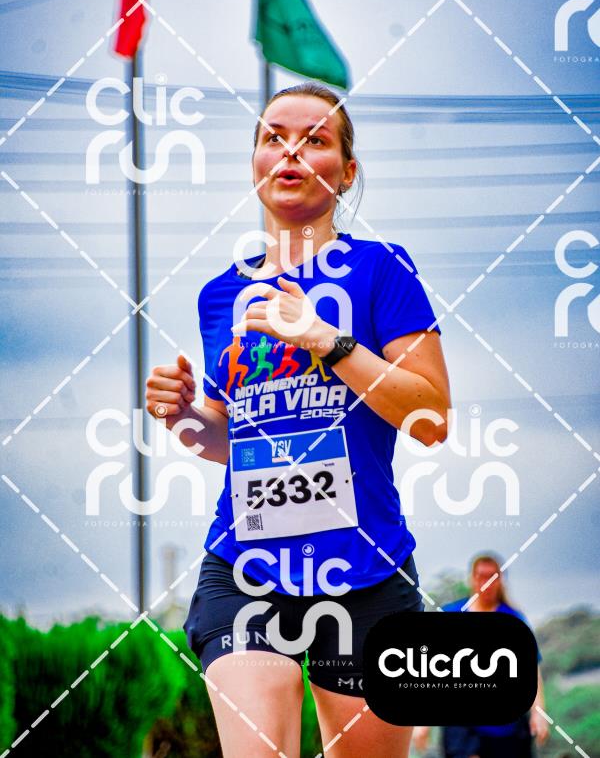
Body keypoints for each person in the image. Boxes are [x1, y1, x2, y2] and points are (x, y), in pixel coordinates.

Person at [146, 81, 451, 758]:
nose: (290, 151)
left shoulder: (381, 269)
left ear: (346, 172)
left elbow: (431, 418)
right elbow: (231, 439)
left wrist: (328, 341)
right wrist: (184, 413)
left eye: (314, 139)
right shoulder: (221, 294)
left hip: (368, 569)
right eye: (273, 137)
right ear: (255, 162)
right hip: (246, 564)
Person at [413, 553, 549, 758]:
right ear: (472, 579)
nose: (486, 583)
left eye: (492, 577)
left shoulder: (514, 618)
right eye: (481, 576)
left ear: (501, 581)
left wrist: (538, 713)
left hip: (508, 728)